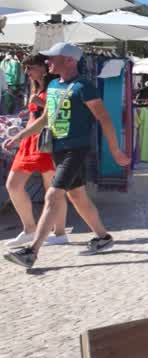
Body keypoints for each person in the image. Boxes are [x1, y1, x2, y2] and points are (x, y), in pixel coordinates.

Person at [4, 43, 126, 270]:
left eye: (52, 58)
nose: (48, 62)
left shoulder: (84, 87)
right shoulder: (53, 87)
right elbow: (45, 120)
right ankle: (103, 237)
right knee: (78, 196)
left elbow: (105, 119)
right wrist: (21, 136)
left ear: (69, 60)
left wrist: (115, 150)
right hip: (57, 150)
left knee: (52, 196)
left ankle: (32, 252)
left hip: (76, 150)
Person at [4, 55, 71, 247]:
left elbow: (62, 111)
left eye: (30, 68)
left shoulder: (56, 85)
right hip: (29, 141)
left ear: (43, 68)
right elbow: (37, 115)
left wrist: (39, 104)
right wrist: (29, 113)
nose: (26, 72)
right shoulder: (36, 87)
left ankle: (59, 232)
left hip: (47, 141)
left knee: (53, 190)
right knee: (13, 185)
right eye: (25, 68)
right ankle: (29, 228)